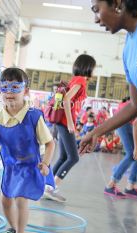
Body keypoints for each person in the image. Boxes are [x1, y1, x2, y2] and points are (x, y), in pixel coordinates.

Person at [80, 1, 137, 232]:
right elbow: (135, 105)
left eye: (97, 9)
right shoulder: (128, 48)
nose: (96, 19)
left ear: (118, 3)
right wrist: (95, 132)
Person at [0, 68, 55, 233]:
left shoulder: (33, 116)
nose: (9, 92)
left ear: (26, 91)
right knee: (5, 200)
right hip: (10, 166)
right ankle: (13, 228)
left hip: (30, 166)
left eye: (15, 87)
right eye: (5, 87)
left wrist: (45, 163)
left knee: (21, 199)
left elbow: (50, 143)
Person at [43, 54, 96, 203]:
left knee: (64, 157)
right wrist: (72, 123)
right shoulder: (80, 80)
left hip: (63, 122)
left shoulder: (75, 80)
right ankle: (50, 188)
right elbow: (66, 100)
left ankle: (48, 185)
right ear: (88, 67)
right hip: (66, 122)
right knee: (73, 157)